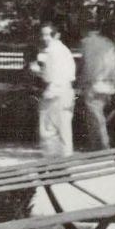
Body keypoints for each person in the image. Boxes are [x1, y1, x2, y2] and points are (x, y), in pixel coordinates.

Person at [29, 21, 76, 156]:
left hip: (54, 92)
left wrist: (34, 69)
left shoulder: (49, 52)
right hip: (66, 92)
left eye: (47, 35)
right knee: (64, 130)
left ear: (56, 35)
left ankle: (51, 163)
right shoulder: (65, 50)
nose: (44, 38)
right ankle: (65, 162)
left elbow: (46, 75)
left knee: (48, 131)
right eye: (42, 35)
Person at [76, 25, 115, 150]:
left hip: (94, 84)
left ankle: (103, 146)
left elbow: (86, 65)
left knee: (96, 118)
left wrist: (81, 83)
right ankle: (95, 146)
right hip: (107, 85)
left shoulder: (88, 43)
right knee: (96, 116)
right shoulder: (111, 47)